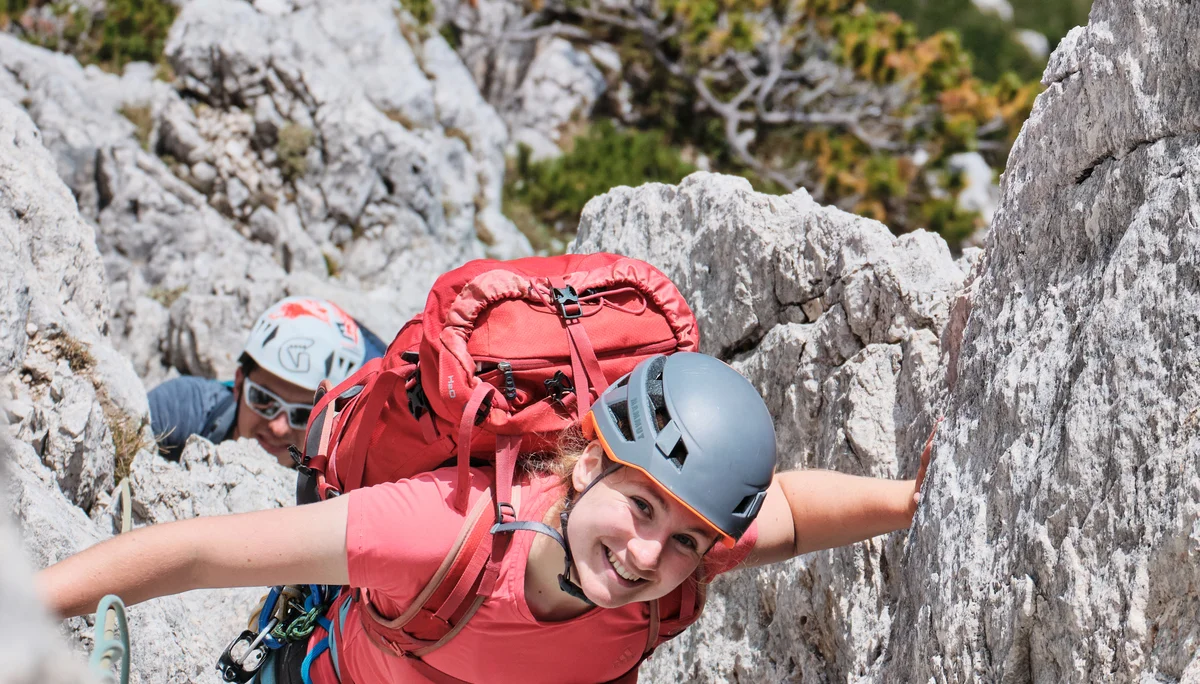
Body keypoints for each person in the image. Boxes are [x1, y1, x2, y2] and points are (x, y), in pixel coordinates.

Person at [39, 352, 934, 683]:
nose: (646, 551)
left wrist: (911, 502)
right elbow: (197, 553)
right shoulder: (440, 531)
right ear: (588, 464)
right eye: (640, 505)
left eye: (689, 538)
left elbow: (793, 511)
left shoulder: (675, 559)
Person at [148, 296, 388, 467]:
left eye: (304, 414)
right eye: (263, 399)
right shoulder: (185, 405)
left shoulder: (341, 489)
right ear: (239, 383)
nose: (278, 427)